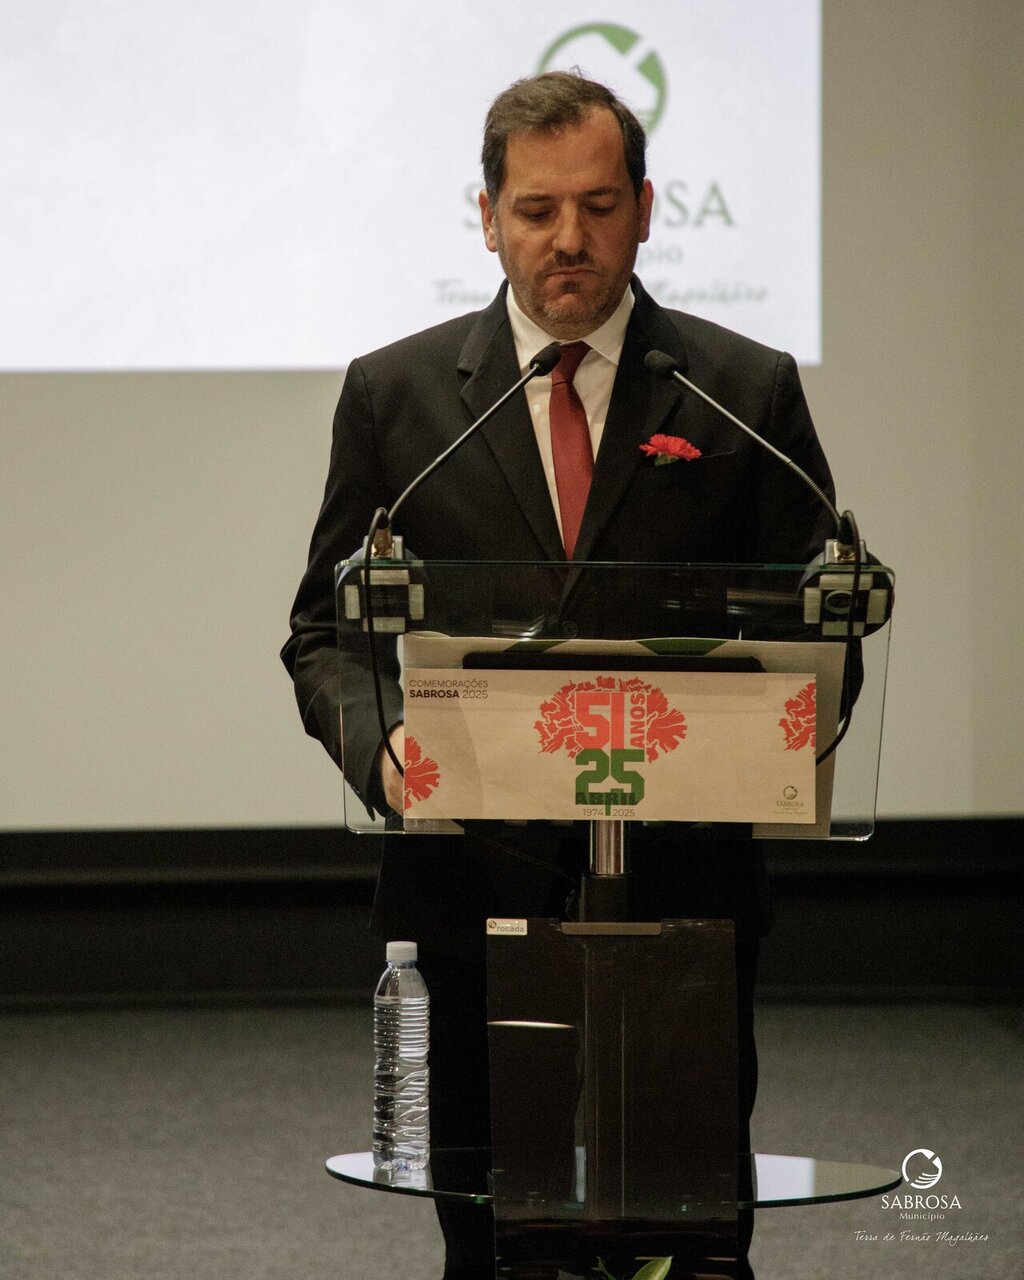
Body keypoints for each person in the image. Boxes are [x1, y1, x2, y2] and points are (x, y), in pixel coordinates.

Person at [283, 71, 835, 1280]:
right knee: (495, 1238)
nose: (567, 238)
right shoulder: (396, 393)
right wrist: (383, 744)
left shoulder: (739, 391)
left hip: (683, 884)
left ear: (645, 209)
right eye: (536, 210)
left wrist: (788, 711)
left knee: (686, 1231)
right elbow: (324, 630)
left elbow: (815, 616)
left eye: (596, 205)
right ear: (487, 218)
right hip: (471, 879)